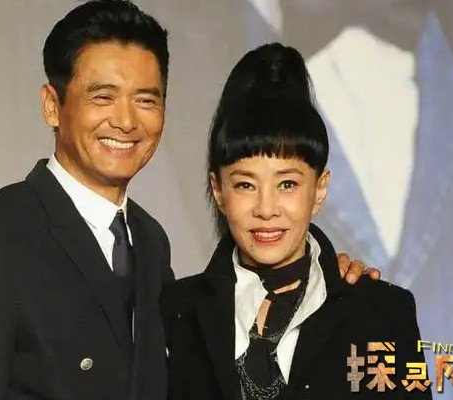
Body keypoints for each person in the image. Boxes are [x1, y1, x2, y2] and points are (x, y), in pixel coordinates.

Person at [0, 2, 377, 399]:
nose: (126, 121)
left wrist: (322, 274)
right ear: (52, 104)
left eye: (146, 99)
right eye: (103, 97)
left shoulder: (149, 241)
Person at [161, 43, 430, 399]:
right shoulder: (174, 313)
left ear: (320, 189)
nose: (266, 209)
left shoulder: (383, 312)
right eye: (245, 185)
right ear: (218, 190)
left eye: (287, 184)